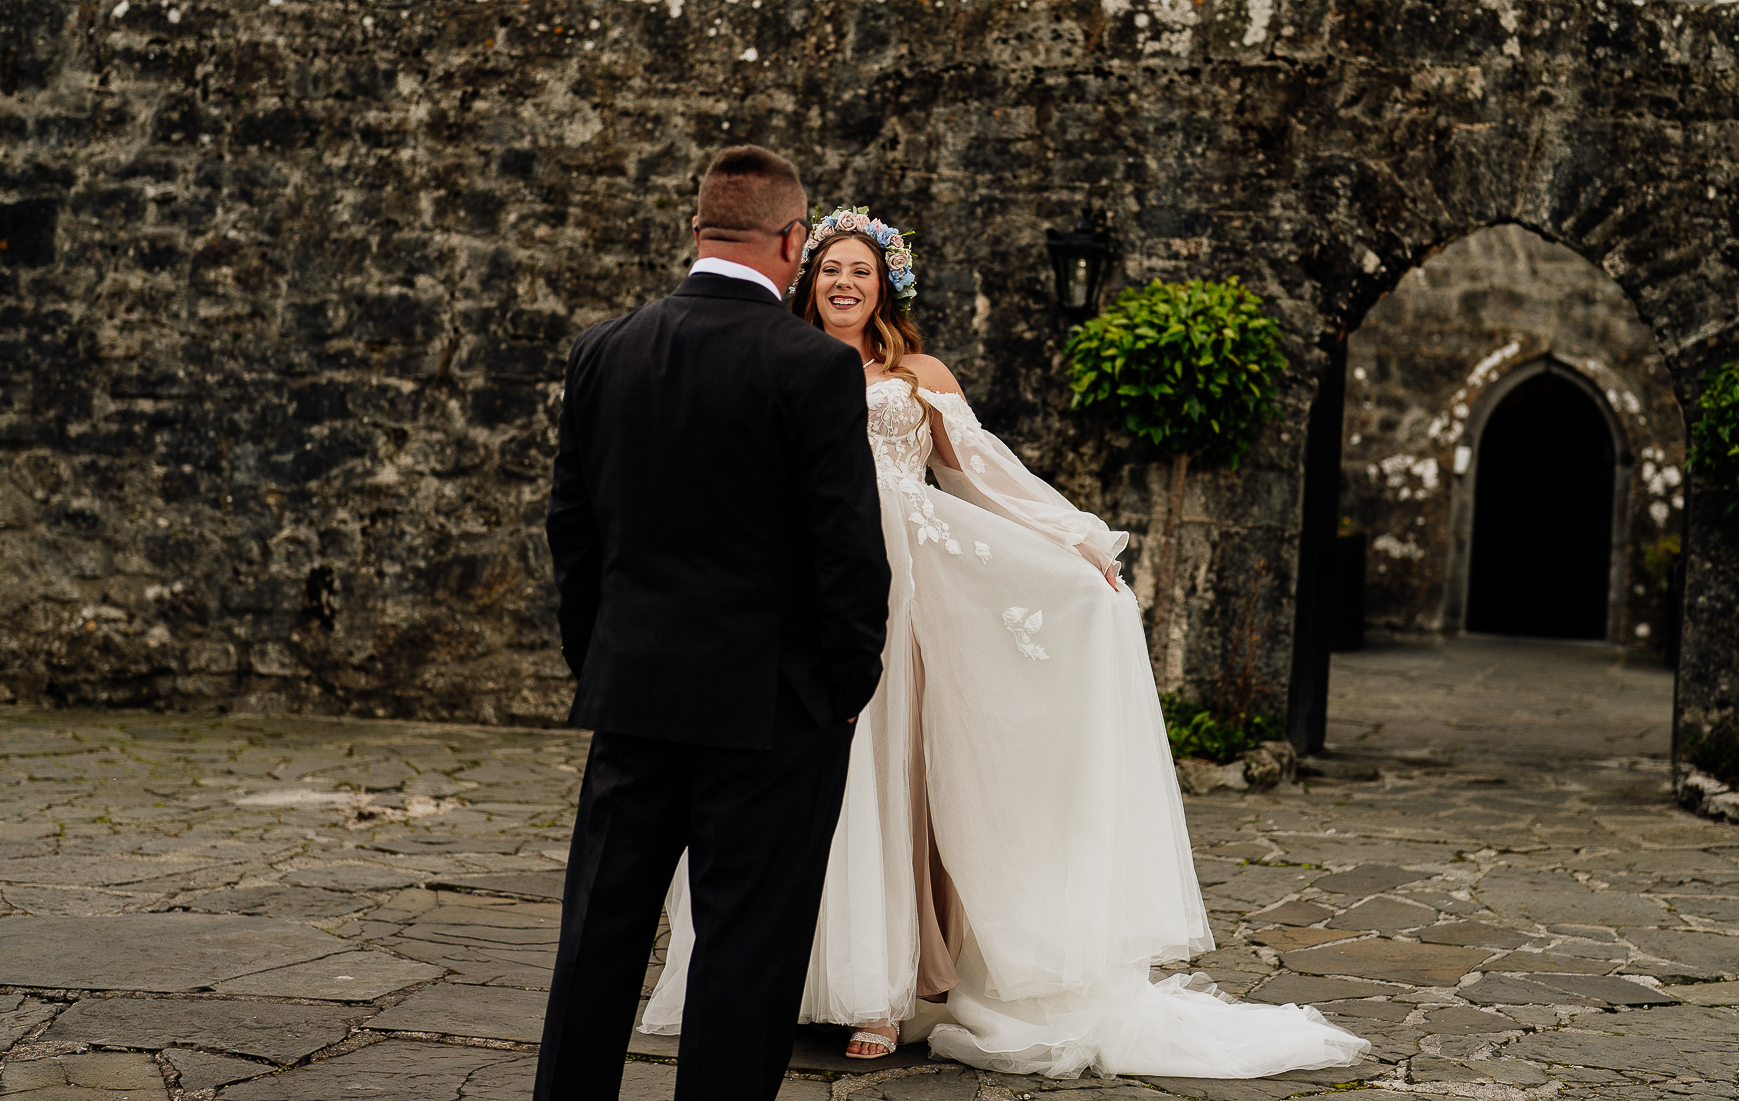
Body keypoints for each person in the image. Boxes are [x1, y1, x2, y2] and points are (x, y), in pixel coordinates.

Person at [643, 207, 1370, 1079]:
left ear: (885, 289)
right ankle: (787, 980)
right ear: (805, 275)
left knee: (890, 784)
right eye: (830, 267)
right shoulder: (777, 358)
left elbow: (984, 474)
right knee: (792, 787)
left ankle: (888, 992)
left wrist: (1075, 546)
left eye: (861, 272)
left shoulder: (917, 373)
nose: (843, 282)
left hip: (901, 600)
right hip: (795, 598)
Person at [537, 151, 891, 1101]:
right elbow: (849, 556)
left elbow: (571, 533)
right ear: (789, 242)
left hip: (634, 696)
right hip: (770, 711)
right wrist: (839, 694)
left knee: (598, 941)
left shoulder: (604, 349)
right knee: (746, 950)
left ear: (698, 230)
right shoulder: (811, 367)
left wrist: (601, 662)